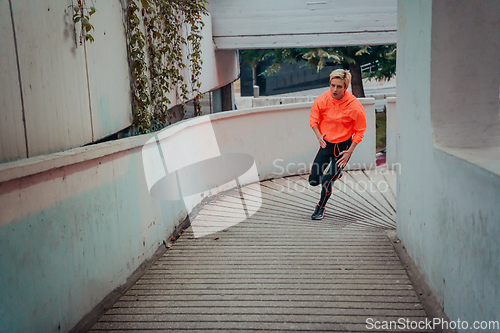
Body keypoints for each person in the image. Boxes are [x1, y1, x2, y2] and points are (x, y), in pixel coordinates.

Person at [308, 69, 366, 220]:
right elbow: (313, 119)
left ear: (345, 87)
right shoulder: (322, 99)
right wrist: (318, 135)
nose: (334, 89)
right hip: (326, 145)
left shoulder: (354, 106)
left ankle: (320, 207)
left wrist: (350, 151)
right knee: (314, 180)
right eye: (332, 85)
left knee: (327, 180)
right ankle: (336, 173)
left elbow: (360, 130)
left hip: (343, 148)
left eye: (339, 86)